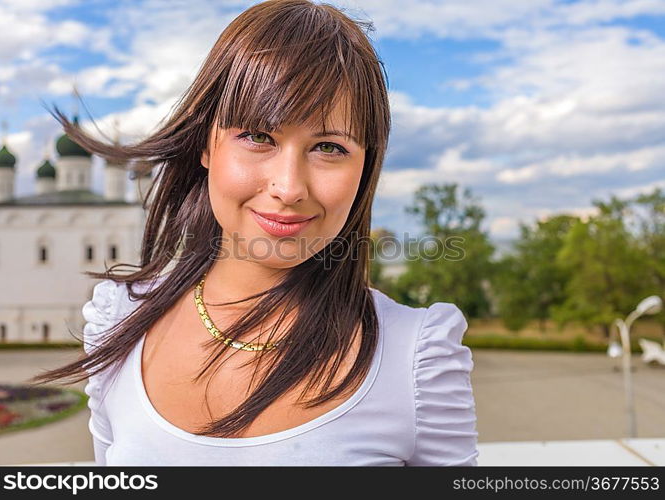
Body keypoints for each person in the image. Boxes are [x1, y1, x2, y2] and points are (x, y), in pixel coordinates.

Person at [31, 0, 479, 466]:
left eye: (329, 147)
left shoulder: (417, 358)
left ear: (366, 166)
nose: (288, 188)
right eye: (258, 137)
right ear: (207, 143)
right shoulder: (119, 322)